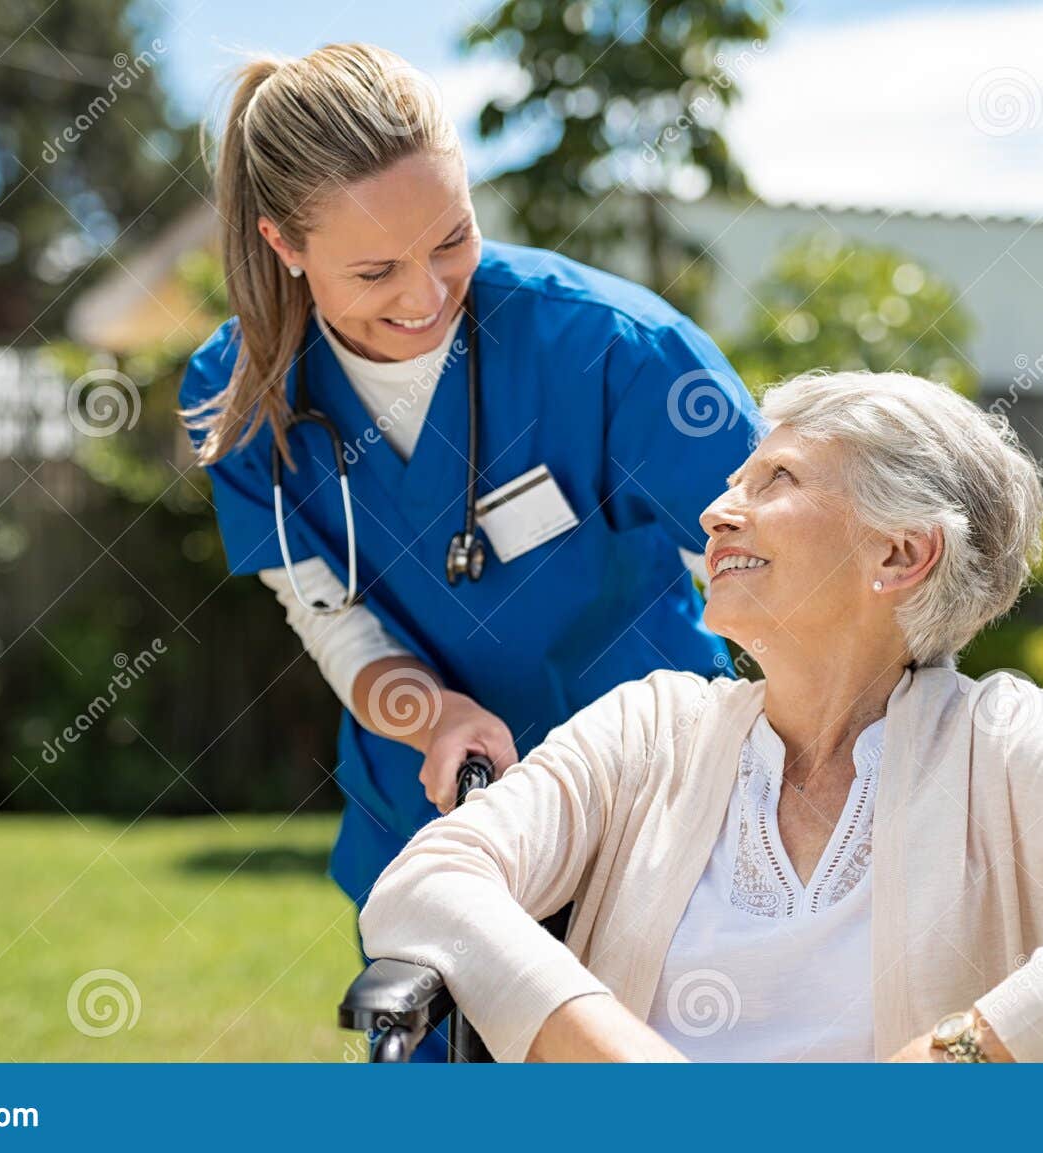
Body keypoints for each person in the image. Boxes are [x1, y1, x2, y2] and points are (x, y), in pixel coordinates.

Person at [359, 368, 1043, 1062]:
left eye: (776, 481)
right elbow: (425, 885)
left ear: (899, 555)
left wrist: (966, 1056)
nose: (720, 511)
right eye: (735, 482)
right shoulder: (650, 728)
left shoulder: (1003, 742)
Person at [177, 44, 762, 1056]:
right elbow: (329, 614)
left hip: (653, 823)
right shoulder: (239, 397)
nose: (426, 293)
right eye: (373, 270)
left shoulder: (615, 351)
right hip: (432, 826)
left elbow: (788, 581)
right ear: (282, 242)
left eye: (452, 237)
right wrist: (428, 711)